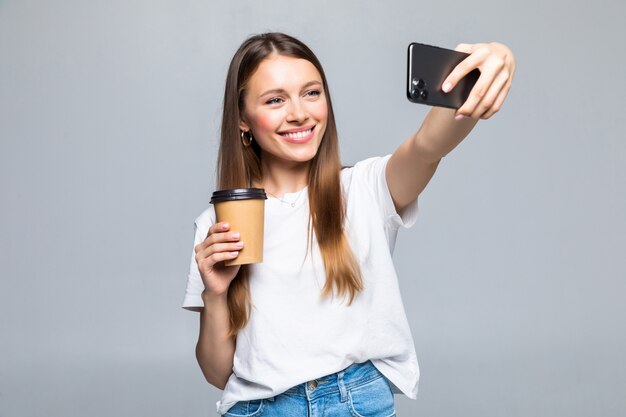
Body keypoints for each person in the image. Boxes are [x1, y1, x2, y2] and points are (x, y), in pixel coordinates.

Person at [183, 32, 515, 416]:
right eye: (275, 100)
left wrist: (493, 61)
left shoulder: (365, 188)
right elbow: (217, 372)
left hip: (356, 402)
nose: (299, 113)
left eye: (311, 93)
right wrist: (216, 294)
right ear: (243, 119)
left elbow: (428, 146)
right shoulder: (219, 223)